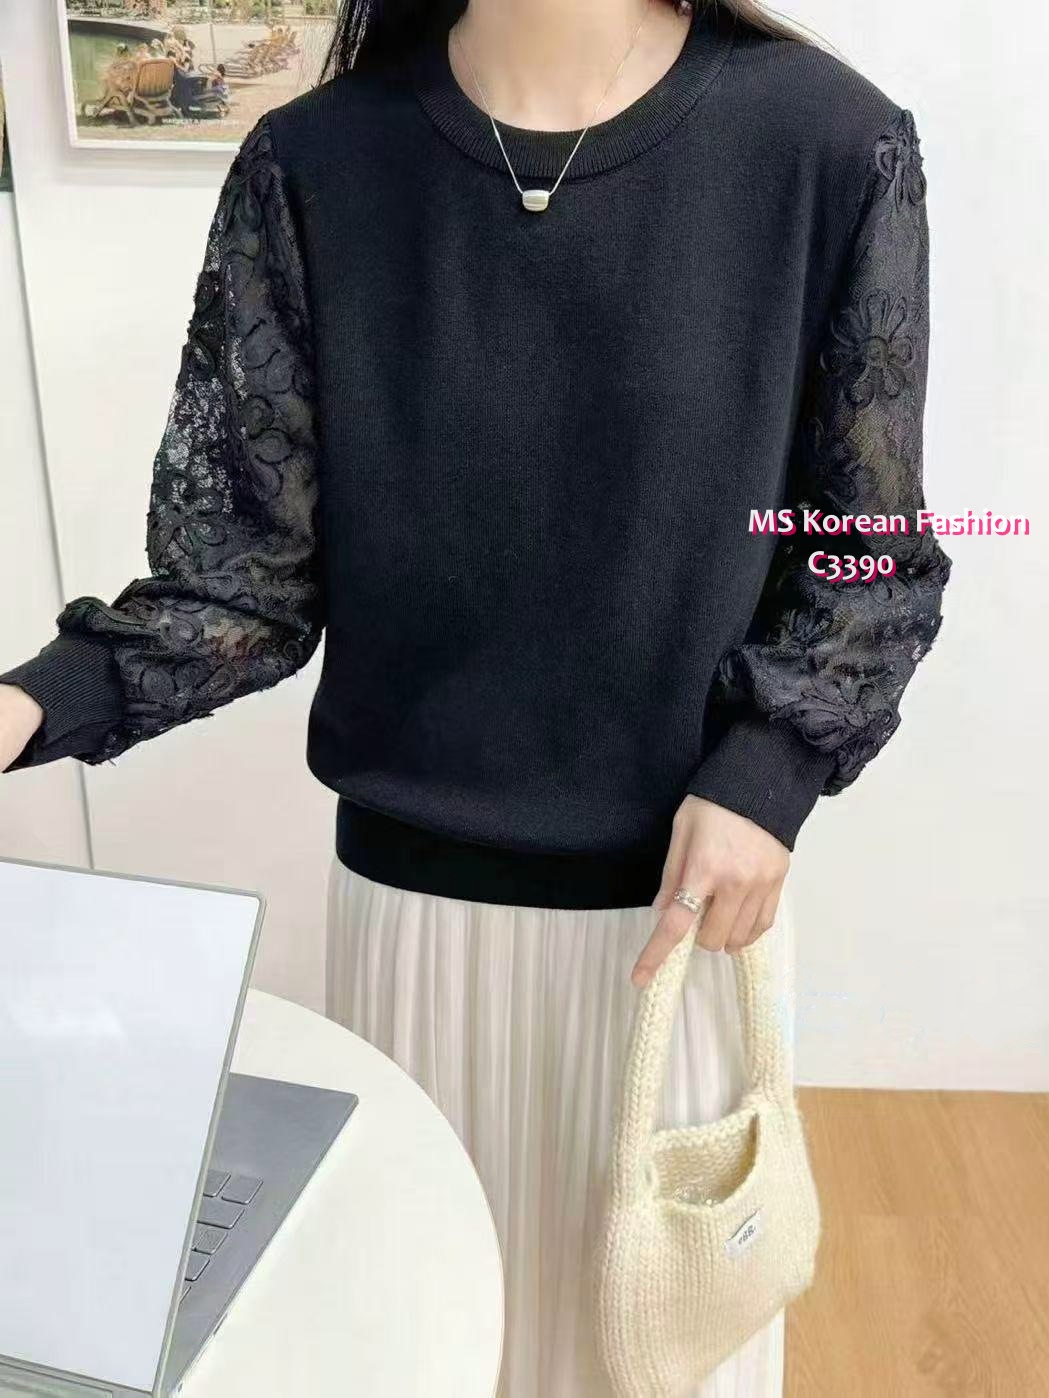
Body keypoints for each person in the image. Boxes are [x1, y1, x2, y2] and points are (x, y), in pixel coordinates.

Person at [0, 0, 951, 1392]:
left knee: (656, 1357)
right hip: (411, 925)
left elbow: (867, 549)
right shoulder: (314, 163)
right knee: (424, 1344)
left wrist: (766, 776)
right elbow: (244, 581)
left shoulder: (824, 144)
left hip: (679, 923)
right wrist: (30, 702)